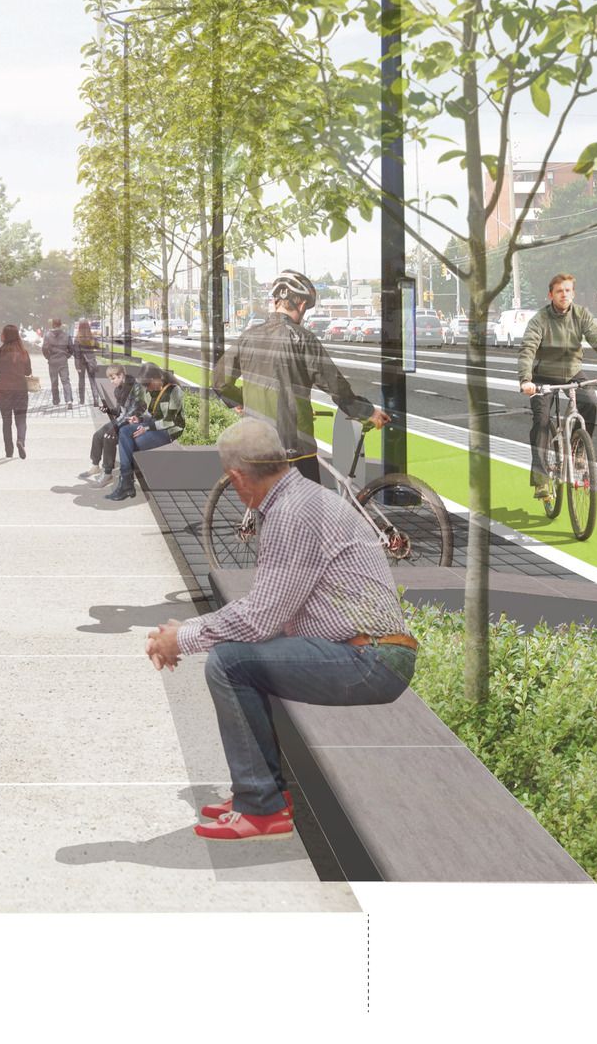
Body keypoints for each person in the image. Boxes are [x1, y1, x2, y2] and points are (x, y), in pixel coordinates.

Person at [145, 416, 416, 841]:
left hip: (371, 658)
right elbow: (268, 612)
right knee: (239, 655)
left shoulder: (292, 513)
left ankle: (263, 807)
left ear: (236, 476)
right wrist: (191, 630)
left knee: (229, 664)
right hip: (365, 650)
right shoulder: (302, 498)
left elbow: (258, 617)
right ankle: (260, 792)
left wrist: (181, 637)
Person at [218, 270, 387, 485]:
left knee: (266, 506)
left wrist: (241, 401)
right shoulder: (302, 338)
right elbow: (334, 385)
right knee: (307, 511)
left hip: (255, 445)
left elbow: (220, 382)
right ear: (302, 305)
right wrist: (368, 411)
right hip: (294, 446)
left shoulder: (248, 336)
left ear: (276, 301)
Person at [518, 272, 597, 504]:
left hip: (572, 371)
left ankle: (578, 449)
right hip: (542, 375)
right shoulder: (540, 319)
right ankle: (541, 481)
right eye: (559, 291)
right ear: (551, 295)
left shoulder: (581, 315)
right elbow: (528, 348)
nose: (564, 294)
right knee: (541, 420)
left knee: (590, 402)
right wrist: (526, 380)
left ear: (573, 293)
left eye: (568, 290)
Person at [106, 362, 188, 502]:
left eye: (148, 384)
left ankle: (126, 483)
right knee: (124, 431)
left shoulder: (175, 391)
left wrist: (146, 428)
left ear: (156, 378)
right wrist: (139, 419)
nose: (147, 389)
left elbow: (170, 421)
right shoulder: (154, 389)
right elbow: (151, 414)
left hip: (170, 430)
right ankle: (126, 482)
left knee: (132, 442)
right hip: (154, 425)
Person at [0, 323, 34, 459]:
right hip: (20, 389)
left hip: (4, 390)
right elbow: (28, 371)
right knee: (21, 419)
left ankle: (9, 450)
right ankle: (21, 441)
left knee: (6, 421)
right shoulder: (23, 353)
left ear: (5, 336)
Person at [87, 363, 139, 478]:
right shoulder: (118, 390)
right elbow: (119, 411)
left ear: (121, 375)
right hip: (121, 419)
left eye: (113, 378)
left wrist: (115, 427)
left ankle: (107, 472)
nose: (111, 382)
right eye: (110, 379)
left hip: (132, 422)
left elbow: (135, 411)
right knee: (97, 435)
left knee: (108, 437)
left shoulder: (135, 388)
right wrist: (108, 410)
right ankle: (95, 466)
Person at [41, 319, 73, 407]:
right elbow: (71, 349)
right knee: (66, 381)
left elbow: (44, 348)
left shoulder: (47, 335)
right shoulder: (66, 335)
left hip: (52, 361)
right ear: (60, 324)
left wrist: (48, 357)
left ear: (53, 325)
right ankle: (69, 400)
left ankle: (56, 400)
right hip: (63, 360)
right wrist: (67, 356)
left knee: (54, 382)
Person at [71, 318, 98, 402]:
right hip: (91, 361)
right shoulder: (92, 337)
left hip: (81, 362)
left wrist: (77, 365)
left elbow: (76, 354)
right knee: (93, 380)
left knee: (81, 380)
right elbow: (96, 347)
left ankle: (82, 400)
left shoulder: (77, 339)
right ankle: (96, 399)